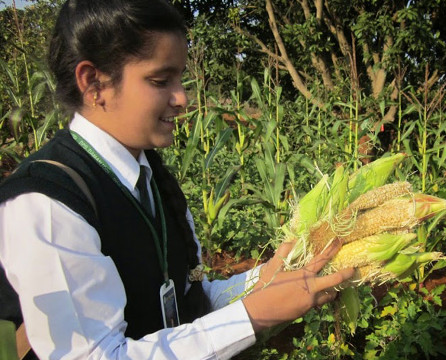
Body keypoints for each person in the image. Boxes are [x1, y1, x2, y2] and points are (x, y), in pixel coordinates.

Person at [0, 0, 354, 359]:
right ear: (94, 83)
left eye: (180, 78)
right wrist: (254, 314)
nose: (182, 98)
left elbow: (185, 299)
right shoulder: (48, 205)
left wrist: (263, 280)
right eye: (160, 80)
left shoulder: (148, 175)